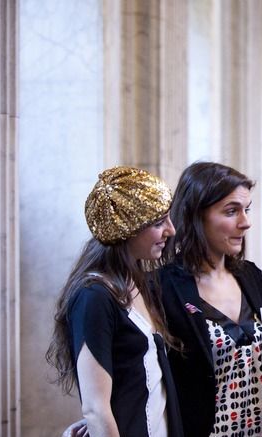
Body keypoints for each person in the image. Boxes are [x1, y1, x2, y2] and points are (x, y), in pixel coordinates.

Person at [46, 166, 182, 437]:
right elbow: (96, 409)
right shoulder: (94, 296)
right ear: (127, 229)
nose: (171, 230)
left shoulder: (141, 281)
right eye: (158, 223)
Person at [159, 162, 262, 437]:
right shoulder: (164, 288)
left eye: (246, 209)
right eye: (231, 211)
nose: (245, 222)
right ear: (196, 215)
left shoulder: (251, 277)